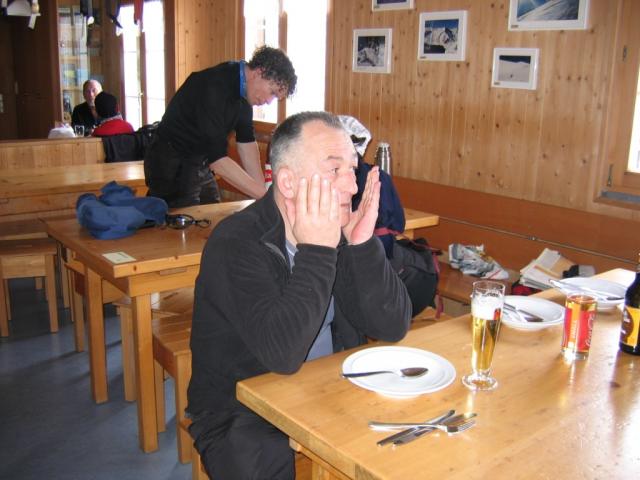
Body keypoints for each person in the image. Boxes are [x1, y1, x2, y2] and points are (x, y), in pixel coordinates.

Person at [186, 111, 412, 479]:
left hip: (331, 386)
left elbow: (391, 326)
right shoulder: (236, 242)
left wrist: (362, 244)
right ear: (288, 182)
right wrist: (318, 251)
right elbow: (283, 355)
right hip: (242, 406)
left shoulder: (338, 231)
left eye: (352, 170)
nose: (351, 186)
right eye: (334, 170)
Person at [144, 46, 297, 208]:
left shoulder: (246, 93)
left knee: (214, 214)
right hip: (170, 163)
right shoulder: (215, 85)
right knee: (185, 220)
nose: (269, 101)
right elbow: (218, 161)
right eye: (272, 92)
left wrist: (263, 195)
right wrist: (267, 199)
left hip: (200, 161)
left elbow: (247, 145)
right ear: (259, 72)